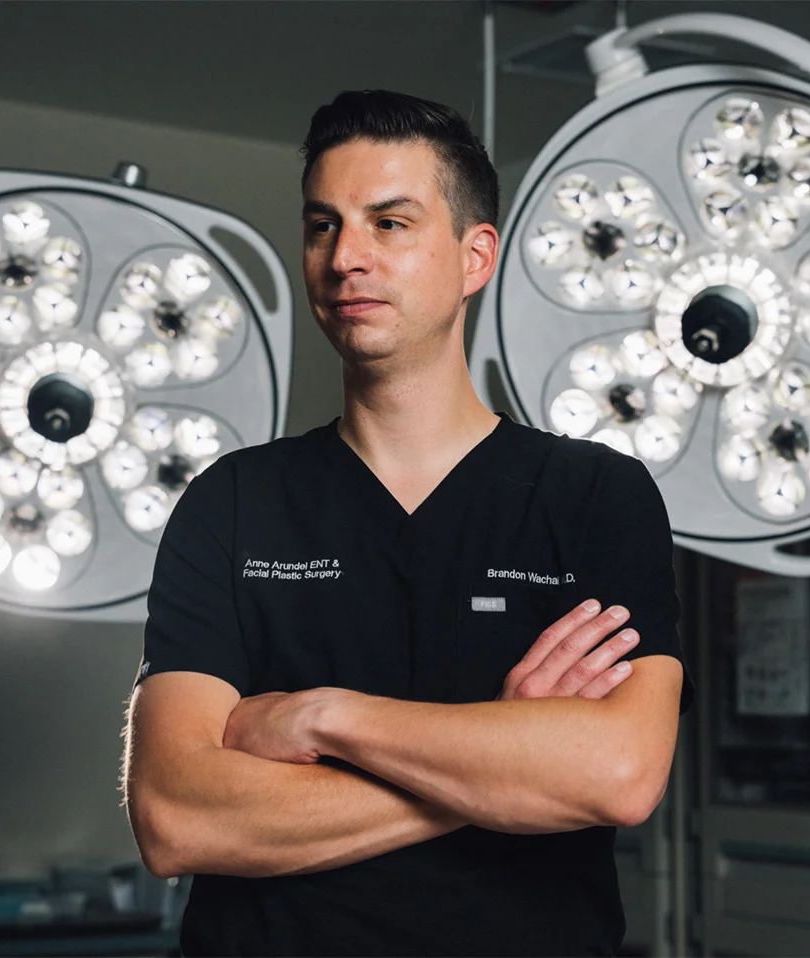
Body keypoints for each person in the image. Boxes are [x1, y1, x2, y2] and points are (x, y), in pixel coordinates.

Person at [122, 89, 696, 957]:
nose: (345, 257)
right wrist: (503, 756)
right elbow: (175, 816)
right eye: (323, 225)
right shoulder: (232, 503)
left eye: (389, 223)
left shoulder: (593, 497)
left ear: (475, 257)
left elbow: (618, 774)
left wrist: (323, 718)